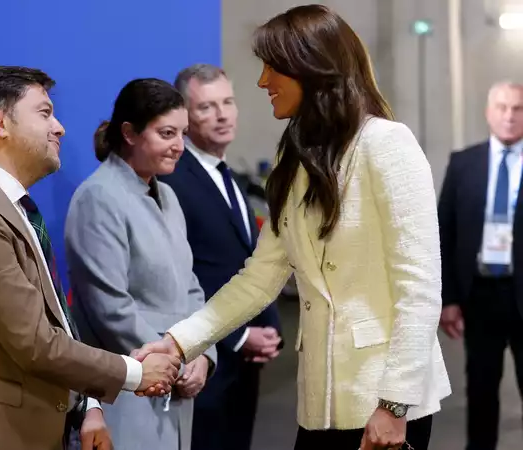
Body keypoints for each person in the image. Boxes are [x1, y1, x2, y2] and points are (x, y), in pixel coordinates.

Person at [131, 5, 452, 450]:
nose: (262, 81)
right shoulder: (294, 159)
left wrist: (394, 405)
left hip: (386, 402)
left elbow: (419, 290)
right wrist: (178, 342)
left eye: (272, 67)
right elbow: (259, 279)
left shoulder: (387, 145)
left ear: (311, 69)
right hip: (320, 401)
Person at [0, 66, 180, 450]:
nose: (60, 127)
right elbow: (35, 342)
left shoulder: (12, 206)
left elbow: (57, 323)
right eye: (44, 112)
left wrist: (88, 404)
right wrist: (134, 372)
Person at [63, 78, 218, 450]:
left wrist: (204, 354)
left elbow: (191, 287)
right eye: (167, 133)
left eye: (182, 133)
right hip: (128, 396)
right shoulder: (98, 198)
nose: (179, 146)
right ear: (130, 133)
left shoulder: (168, 196)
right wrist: (178, 361)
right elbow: (111, 309)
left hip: (173, 392)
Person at [158, 63, 283, 450]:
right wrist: (240, 336)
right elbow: (183, 273)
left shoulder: (229, 175)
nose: (222, 114)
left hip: (243, 367)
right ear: (184, 115)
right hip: (206, 361)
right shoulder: (172, 179)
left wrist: (269, 327)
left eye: (228, 102)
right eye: (207, 107)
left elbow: (244, 259)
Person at [438, 81, 523, 450]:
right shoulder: (463, 163)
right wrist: (449, 298)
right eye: (502, 107)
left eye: (518, 108)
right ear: (488, 113)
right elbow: (445, 233)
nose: (509, 115)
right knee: (481, 393)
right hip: (480, 295)